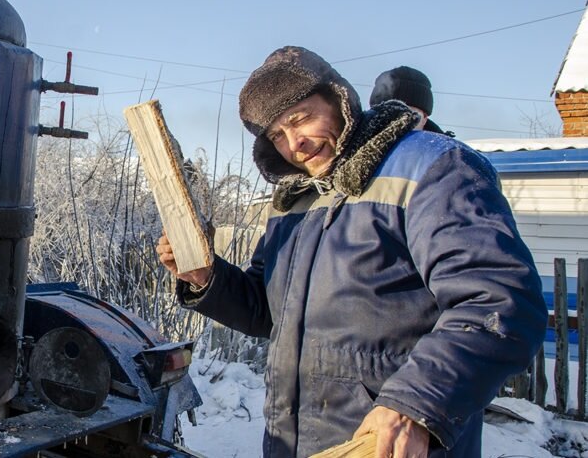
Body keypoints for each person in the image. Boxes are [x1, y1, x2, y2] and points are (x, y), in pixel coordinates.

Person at [157, 46, 545, 458]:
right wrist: (206, 278)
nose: (295, 144)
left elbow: (499, 301)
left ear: (340, 100)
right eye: (277, 135)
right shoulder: (297, 199)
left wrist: (415, 404)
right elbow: (268, 311)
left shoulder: (432, 168)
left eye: (300, 118)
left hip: (390, 445)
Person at [369, 65, 452, 135]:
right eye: (386, 114)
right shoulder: (357, 148)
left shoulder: (446, 152)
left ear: (424, 118)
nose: (396, 123)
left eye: (406, 115)